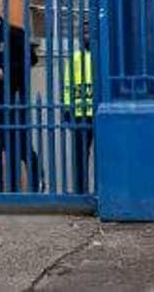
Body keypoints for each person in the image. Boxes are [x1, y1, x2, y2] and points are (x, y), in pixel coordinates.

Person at [0, 0, 40, 193]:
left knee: (20, 141)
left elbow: (32, 59)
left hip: (14, 96)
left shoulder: (14, 33)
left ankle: (37, 181)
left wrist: (7, 71)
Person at [62, 27, 94, 194]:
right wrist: (68, 109)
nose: (87, 36)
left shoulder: (103, 56)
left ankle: (100, 191)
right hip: (80, 113)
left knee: (103, 155)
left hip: (97, 113)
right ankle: (80, 191)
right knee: (80, 156)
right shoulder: (75, 58)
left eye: (89, 33)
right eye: (85, 33)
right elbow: (68, 85)